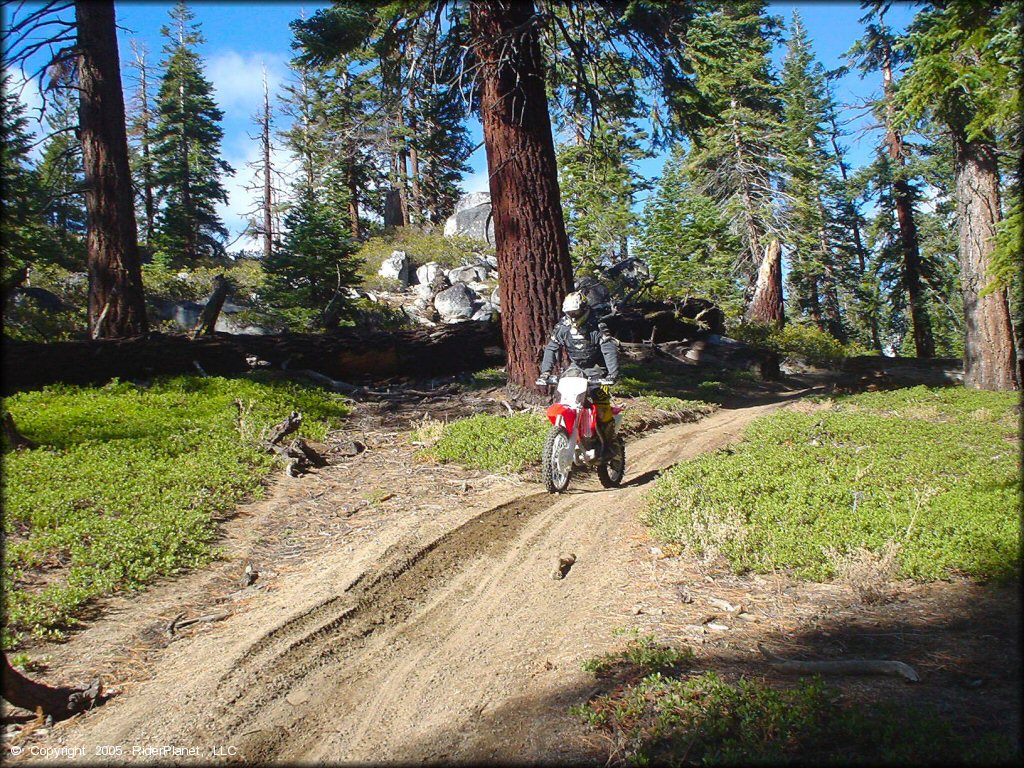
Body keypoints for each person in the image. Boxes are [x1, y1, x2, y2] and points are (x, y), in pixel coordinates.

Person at [536, 291, 620, 453]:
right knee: (563, 396)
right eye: (569, 313)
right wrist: (545, 373)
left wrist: (612, 374)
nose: (573, 316)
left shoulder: (597, 325)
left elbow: (608, 349)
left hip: (598, 367)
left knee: (600, 399)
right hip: (576, 367)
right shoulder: (562, 327)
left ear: (584, 308)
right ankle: (569, 433)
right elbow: (552, 348)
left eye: (576, 312)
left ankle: (608, 442)